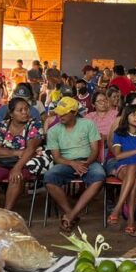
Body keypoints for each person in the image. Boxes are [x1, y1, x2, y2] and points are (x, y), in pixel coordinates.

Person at [43, 96, 105, 233]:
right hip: (66, 162)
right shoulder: (53, 131)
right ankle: (71, 213)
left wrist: (86, 163)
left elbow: (95, 149)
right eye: (59, 112)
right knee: (49, 178)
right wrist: (73, 164)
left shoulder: (88, 124)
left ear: (74, 113)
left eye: (64, 113)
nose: (60, 116)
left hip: (87, 160)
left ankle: (70, 216)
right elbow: (57, 157)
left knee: (100, 176)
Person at [0, 97, 43, 212]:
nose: (25, 112)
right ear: (11, 114)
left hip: (25, 162)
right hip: (4, 162)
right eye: (20, 110)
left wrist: (17, 167)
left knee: (16, 177)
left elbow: (30, 149)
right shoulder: (2, 125)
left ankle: (6, 212)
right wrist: (17, 152)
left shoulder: (35, 124)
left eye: (26, 109)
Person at [107, 104, 136, 234]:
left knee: (133, 170)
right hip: (123, 167)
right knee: (135, 180)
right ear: (126, 117)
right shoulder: (119, 134)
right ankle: (131, 221)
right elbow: (118, 155)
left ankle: (117, 209)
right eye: (133, 114)